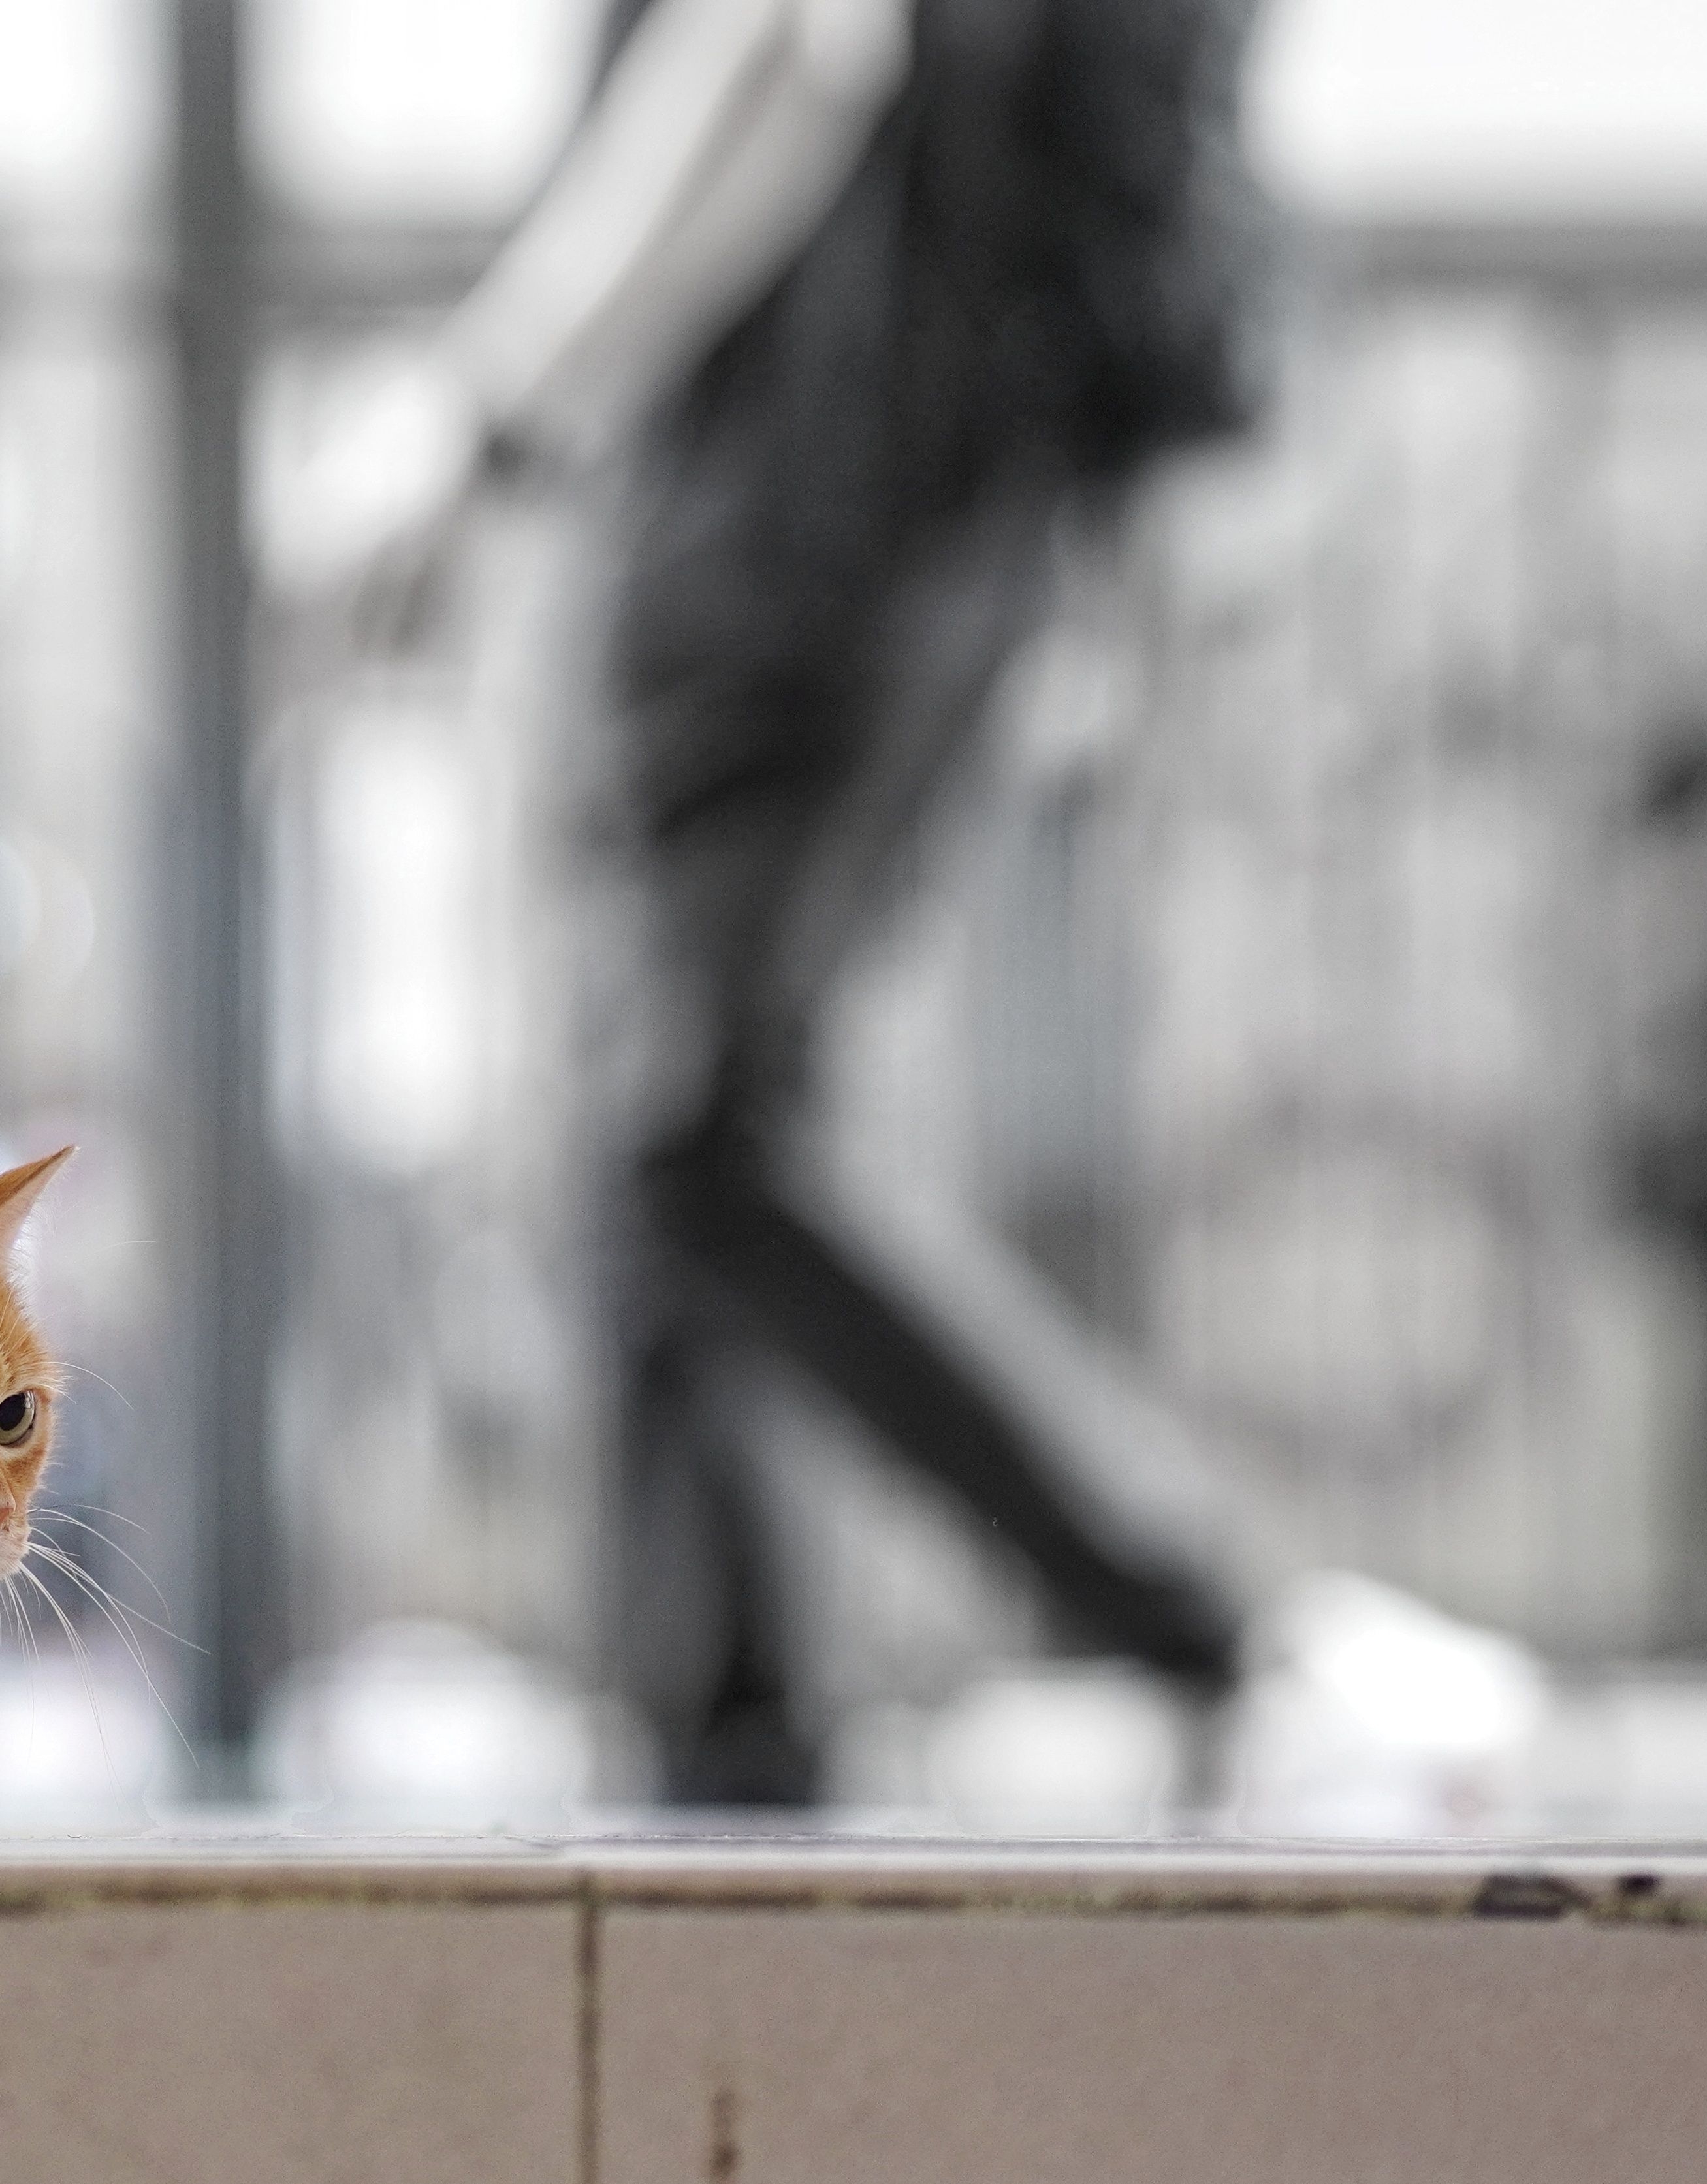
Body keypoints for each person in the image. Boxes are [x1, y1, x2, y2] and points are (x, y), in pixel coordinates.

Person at [334, 0, 1269, 1799]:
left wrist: (485, 422)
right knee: (664, 1164)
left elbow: (787, 40)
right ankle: (731, 1761)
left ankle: (1179, 1599)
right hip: (903, 498)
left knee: (690, 1131)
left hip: (811, 512)